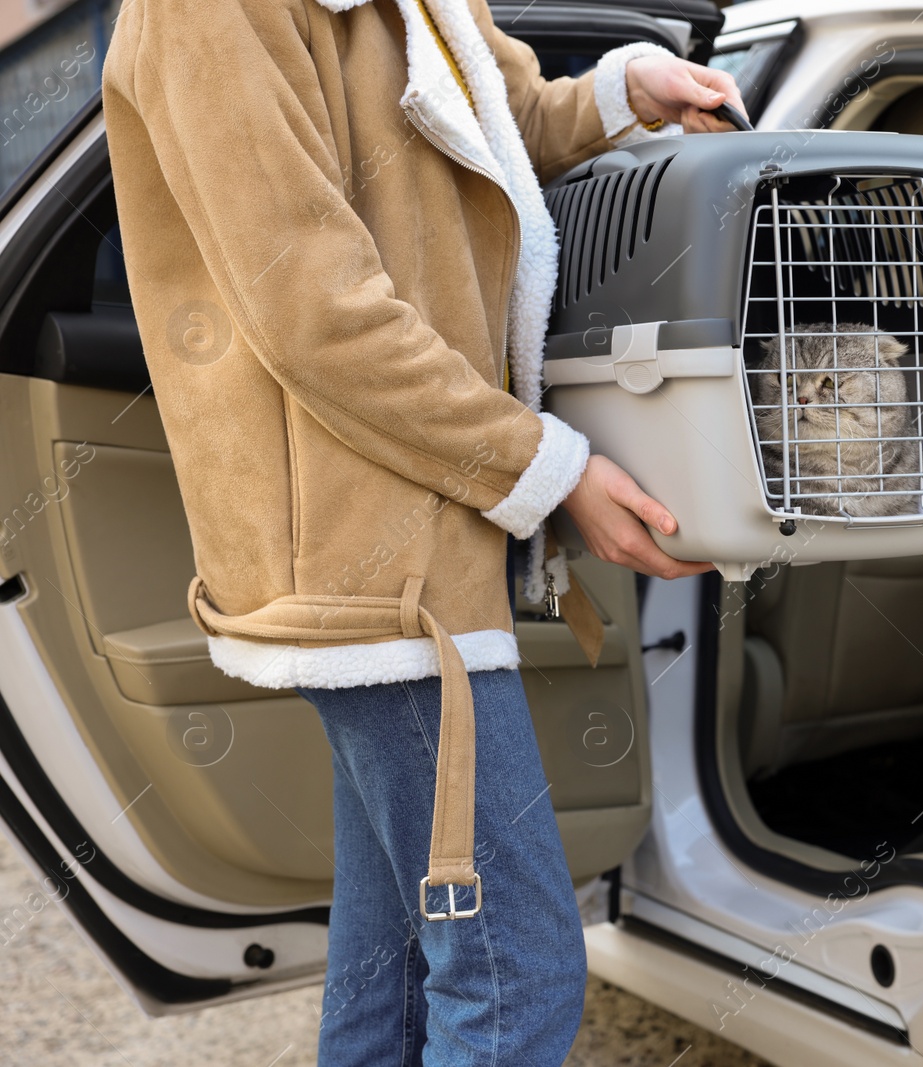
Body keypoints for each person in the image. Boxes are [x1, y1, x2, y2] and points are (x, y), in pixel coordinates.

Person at [102, 0, 735, 1062]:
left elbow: (497, 118)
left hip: (425, 544)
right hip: (365, 567)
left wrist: (624, 92)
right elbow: (315, 315)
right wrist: (550, 467)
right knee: (513, 971)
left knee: (393, 970)